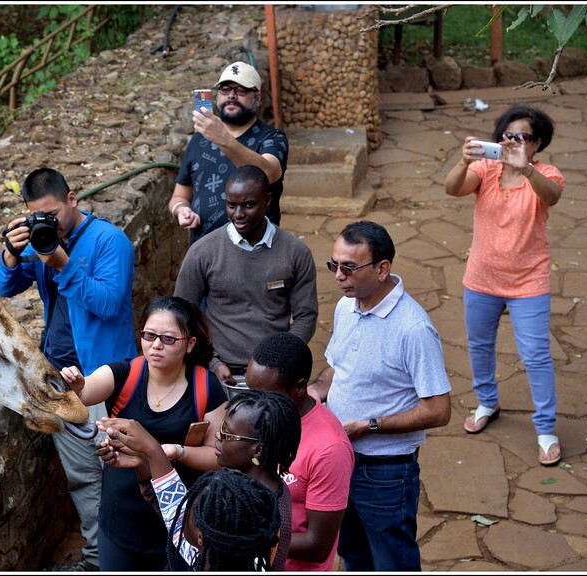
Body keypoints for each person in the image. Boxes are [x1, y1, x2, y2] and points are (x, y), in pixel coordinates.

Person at [0, 167, 137, 571]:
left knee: (120, 473)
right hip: (58, 377)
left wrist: (61, 261)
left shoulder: (110, 241)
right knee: (83, 476)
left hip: (105, 377)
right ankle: (98, 559)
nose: (48, 223)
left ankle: (128, 554)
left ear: (73, 199)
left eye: (53, 214)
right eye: (38, 216)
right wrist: (10, 251)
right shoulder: (42, 239)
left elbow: (108, 304)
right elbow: (6, 287)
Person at [309, 220, 452, 572]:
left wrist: (369, 426)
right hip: (341, 461)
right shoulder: (348, 305)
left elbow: (439, 410)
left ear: (382, 268)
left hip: (385, 473)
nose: (338, 276)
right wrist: (315, 390)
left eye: (349, 268)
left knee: (393, 562)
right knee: (353, 556)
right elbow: (338, 367)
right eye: (334, 265)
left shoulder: (413, 329)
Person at [59, 296, 228, 571]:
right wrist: (76, 385)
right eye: (149, 335)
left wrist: (175, 452)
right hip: (120, 518)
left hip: (179, 518)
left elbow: (217, 456)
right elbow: (85, 392)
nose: (156, 345)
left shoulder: (205, 387)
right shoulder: (125, 373)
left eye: (168, 339)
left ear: (190, 344)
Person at [443, 105, 565, 466]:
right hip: (481, 279)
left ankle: (545, 428)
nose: (512, 142)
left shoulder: (546, 174)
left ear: (537, 142)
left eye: (522, 137)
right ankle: (487, 402)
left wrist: (525, 167)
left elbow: (552, 196)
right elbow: (452, 189)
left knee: (536, 356)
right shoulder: (485, 169)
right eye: (507, 136)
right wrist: (463, 161)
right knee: (480, 345)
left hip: (529, 282)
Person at [97, 387, 301, 571]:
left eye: (227, 434)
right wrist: (144, 465)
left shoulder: (263, 516)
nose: (218, 437)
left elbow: (185, 533)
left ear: (258, 450)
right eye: (221, 428)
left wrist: (153, 450)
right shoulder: (243, 485)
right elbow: (183, 519)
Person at [174, 164, 318, 388]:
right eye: (231, 205)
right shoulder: (203, 252)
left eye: (248, 205)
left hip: (275, 375)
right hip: (218, 373)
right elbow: (183, 313)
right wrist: (211, 362)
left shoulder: (296, 253)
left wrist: (281, 361)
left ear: (268, 201)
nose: (238, 214)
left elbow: (306, 316)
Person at [246, 332, 354, 571]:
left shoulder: (330, 449)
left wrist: (243, 538)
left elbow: (318, 545)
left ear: (300, 387)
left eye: (266, 396)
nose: (254, 404)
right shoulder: (261, 417)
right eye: (251, 391)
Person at [169, 60, 289, 244]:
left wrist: (222, 138)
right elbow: (180, 196)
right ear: (217, 96)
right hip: (204, 252)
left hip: (257, 253)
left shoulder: (272, 138)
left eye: (241, 90)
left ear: (257, 98)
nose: (231, 96)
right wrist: (181, 209)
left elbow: (268, 173)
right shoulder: (199, 139)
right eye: (225, 89)